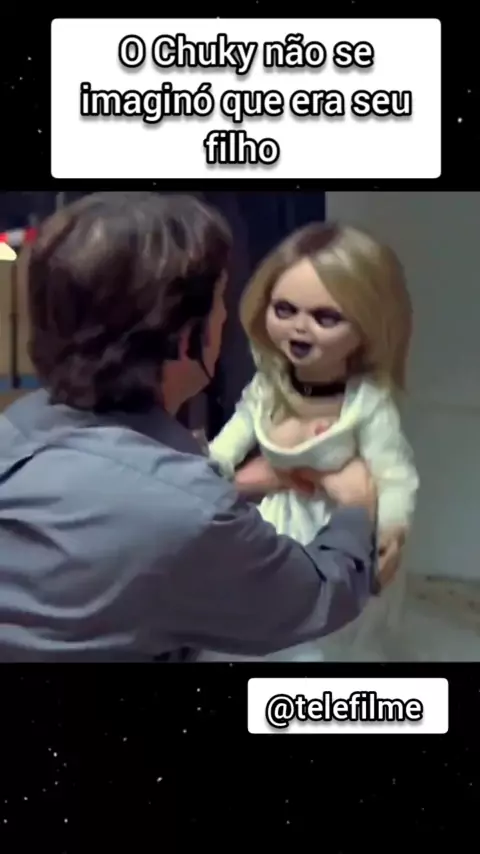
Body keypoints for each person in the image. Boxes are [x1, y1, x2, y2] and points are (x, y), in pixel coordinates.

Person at [0, 192, 386, 662]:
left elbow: (119, 503)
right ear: (187, 339)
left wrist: (231, 486)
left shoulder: (19, 423)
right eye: (223, 303)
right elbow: (316, 595)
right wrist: (357, 509)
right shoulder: (189, 514)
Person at [204, 222, 419, 662]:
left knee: (334, 642)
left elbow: (394, 473)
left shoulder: (366, 404)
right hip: (274, 525)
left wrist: (392, 529)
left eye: (326, 318)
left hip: (342, 529)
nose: (300, 328)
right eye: (284, 310)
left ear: (366, 325)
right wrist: (210, 471)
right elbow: (232, 438)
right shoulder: (268, 386)